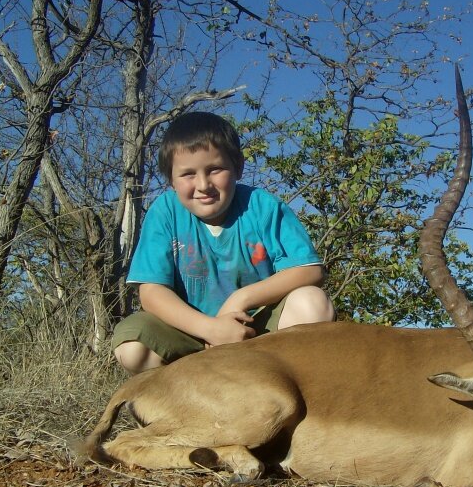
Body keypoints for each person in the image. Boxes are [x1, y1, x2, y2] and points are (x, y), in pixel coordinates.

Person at [112, 112, 335, 374]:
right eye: (187, 174)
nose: (203, 184)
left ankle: (282, 390)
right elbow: (151, 293)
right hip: (192, 335)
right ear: (170, 179)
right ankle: (185, 404)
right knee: (132, 346)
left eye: (215, 169)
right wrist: (211, 329)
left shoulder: (263, 206)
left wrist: (240, 298)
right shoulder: (165, 212)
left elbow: (309, 270)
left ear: (238, 167)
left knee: (312, 303)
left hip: (260, 334)